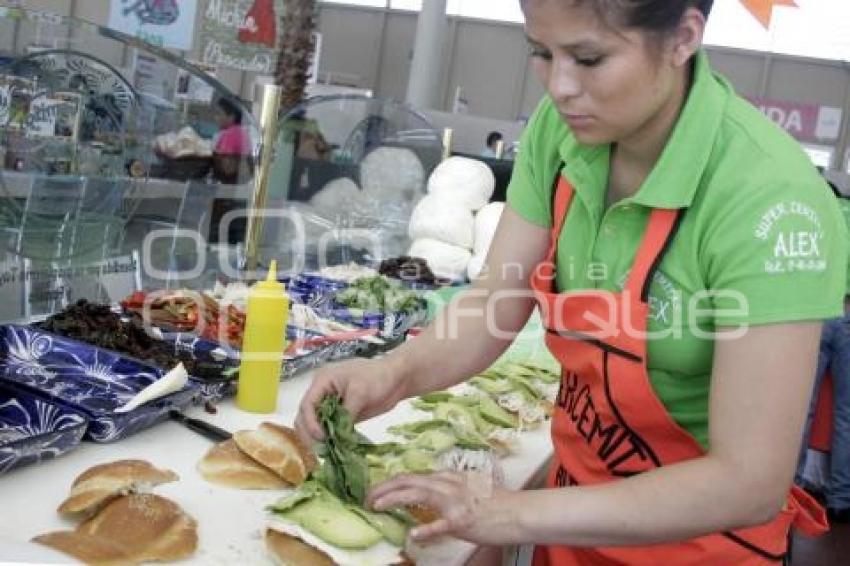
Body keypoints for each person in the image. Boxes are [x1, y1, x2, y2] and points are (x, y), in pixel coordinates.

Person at [296, 0, 847, 563]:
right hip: (572, 526)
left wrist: (510, 513)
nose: (559, 87)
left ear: (683, 37)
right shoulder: (559, 136)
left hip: (702, 550)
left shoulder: (770, 200)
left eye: (589, 58)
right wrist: (390, 374)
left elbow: (749, 481)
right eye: (541, 52)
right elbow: (491, 304)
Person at [798, 179, 850, 523]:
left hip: (813, 313)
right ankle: (841, 498)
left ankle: (792, 489)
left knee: (800, 409)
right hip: (848, 315)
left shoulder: (809, 215)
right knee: (847, 414)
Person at [212, 97, 252, 184]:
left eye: (219, 114)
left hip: (228, 188)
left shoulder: (230, 134)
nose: (215, 117)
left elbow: (228, 168)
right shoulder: (242, 131)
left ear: (231, 117)